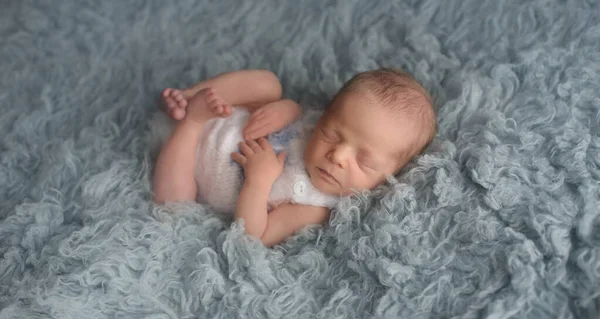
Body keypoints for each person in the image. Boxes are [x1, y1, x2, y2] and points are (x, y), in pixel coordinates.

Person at [152, 68, 436, 246]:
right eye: (331, 133)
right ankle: (187, 97)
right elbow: (302, 115)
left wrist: (258, 182)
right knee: (269, 84)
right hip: (226, 114)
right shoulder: (319, 122)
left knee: (174, 202)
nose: (337, 155)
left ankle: (189, 120)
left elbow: (253, 236)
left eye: (364, 161)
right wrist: (285, 108)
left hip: (192, 163)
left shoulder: (315, 207)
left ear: (390, 175)